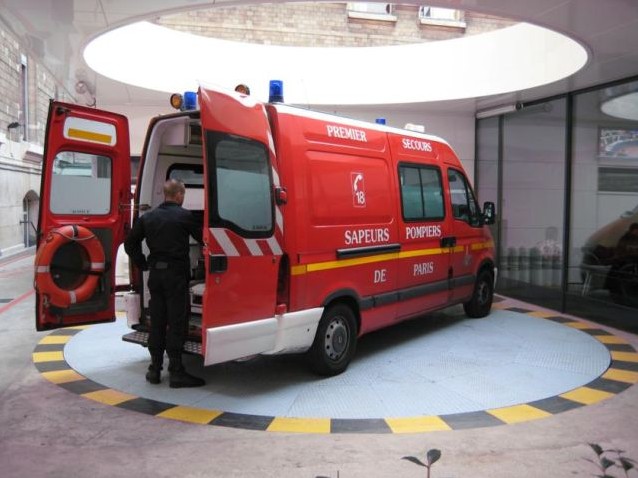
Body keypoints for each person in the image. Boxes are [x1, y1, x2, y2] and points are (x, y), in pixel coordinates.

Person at [124, 179, 205, 388]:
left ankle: (154, 369)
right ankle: (176, 372)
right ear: (179, 195)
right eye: (183, 195)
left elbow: (129, 243)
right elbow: (204, 239)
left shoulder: (148, 217)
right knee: (177, 321)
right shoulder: (185, 216)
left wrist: (142, 263)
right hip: (176, 276)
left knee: (158, 321)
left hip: (156, 276)